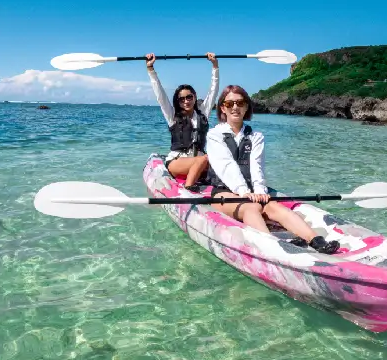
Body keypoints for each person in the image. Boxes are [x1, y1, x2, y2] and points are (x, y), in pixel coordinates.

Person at [204, 85, 342, 254]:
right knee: (251, 208)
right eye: (230, 103)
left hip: (251, 191)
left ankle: (317, 241)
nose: (235, 107)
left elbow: (257, 166)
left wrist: (260, 191)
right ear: (223, 108)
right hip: (223, 193)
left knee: (274, 207)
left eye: (240, 103)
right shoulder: (214, 135)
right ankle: (275, 248)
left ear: (246, 107)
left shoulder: (256, 137)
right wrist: (243, 192)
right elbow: (226, 166)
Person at [146, 52, 219, 190]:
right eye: (182, 99)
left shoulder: (202, 114)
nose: (186, 101)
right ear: (178, 101)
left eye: (189, 97)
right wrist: (151, 70)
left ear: (194, 97)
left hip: (200, 162)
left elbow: (213, 91)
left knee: (218, 158)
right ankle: (189, 187)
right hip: (177, 162)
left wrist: (215, 66)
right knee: (205, 158)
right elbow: (160, 96)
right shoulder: (172, 116)